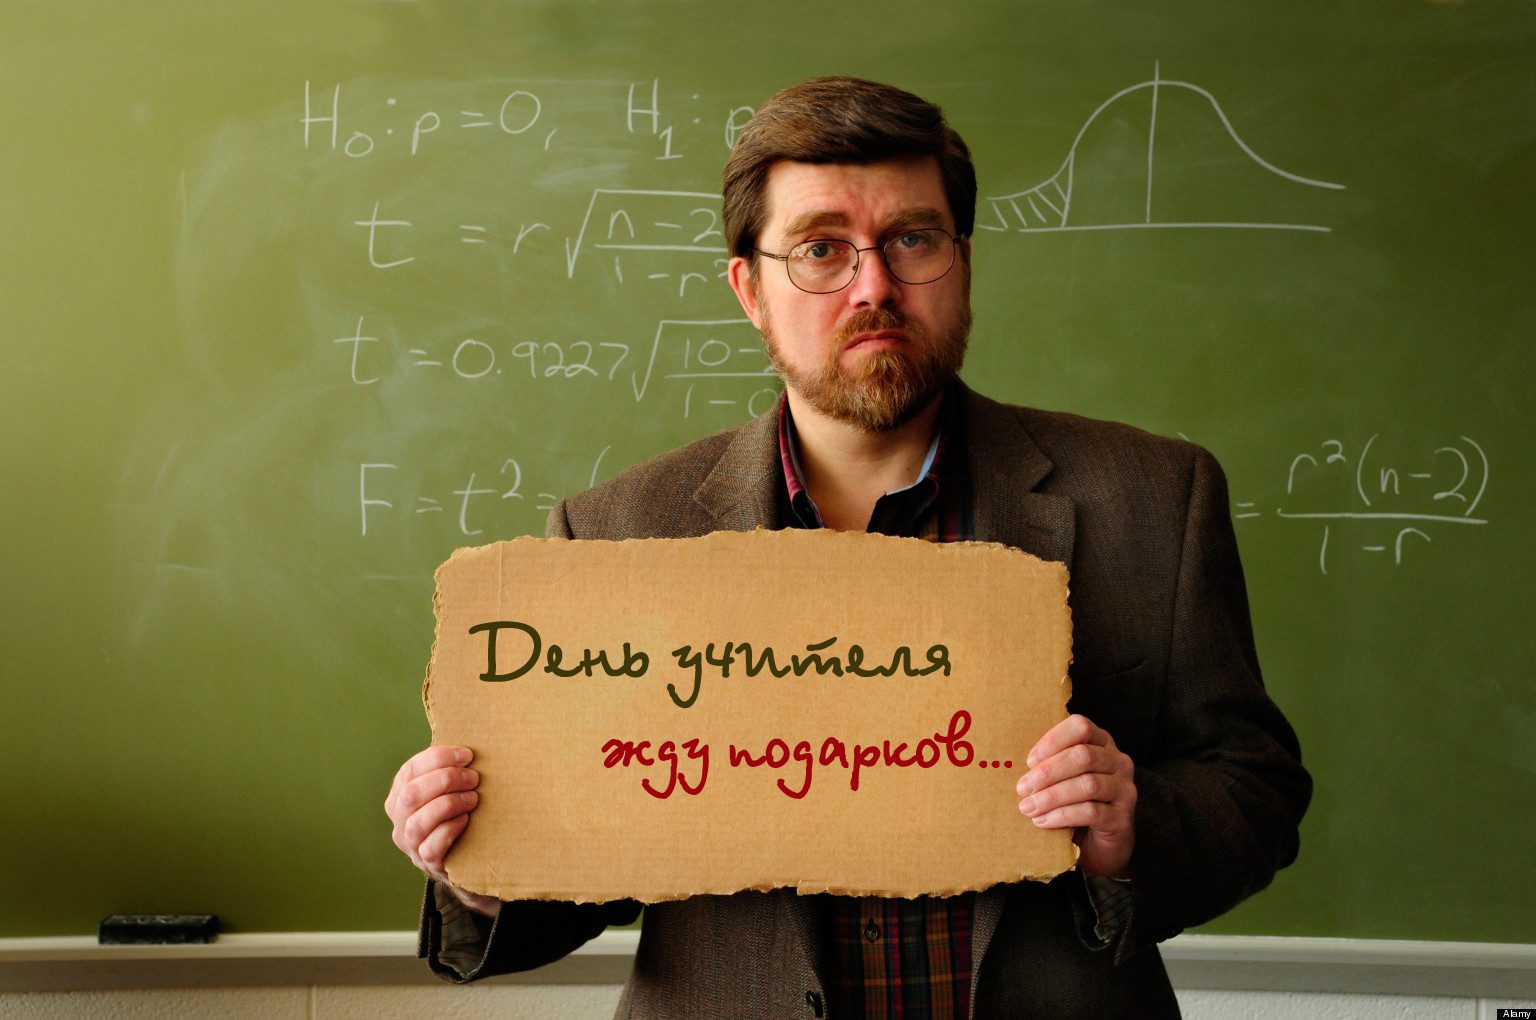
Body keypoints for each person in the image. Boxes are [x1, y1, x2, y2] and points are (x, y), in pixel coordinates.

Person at [385, 76, 1311, 1018]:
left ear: (963, 260)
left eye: (912, 239)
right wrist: (482, 867)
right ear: (750, 288)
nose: (875, 286)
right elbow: (592, 861)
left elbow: (1255, 790)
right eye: (822, 249)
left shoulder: (1152, 497)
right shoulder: (619, 534)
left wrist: (1131, 827)